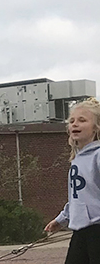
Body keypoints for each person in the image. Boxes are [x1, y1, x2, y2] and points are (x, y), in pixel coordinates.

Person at [44, 97, 100, 264]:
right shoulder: (77, 159)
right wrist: (61, 219)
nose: (75, 124)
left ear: (96, 128)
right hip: (80, 230)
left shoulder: (97, 156)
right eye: (72, 121)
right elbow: (78, 197)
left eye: (82, 120)